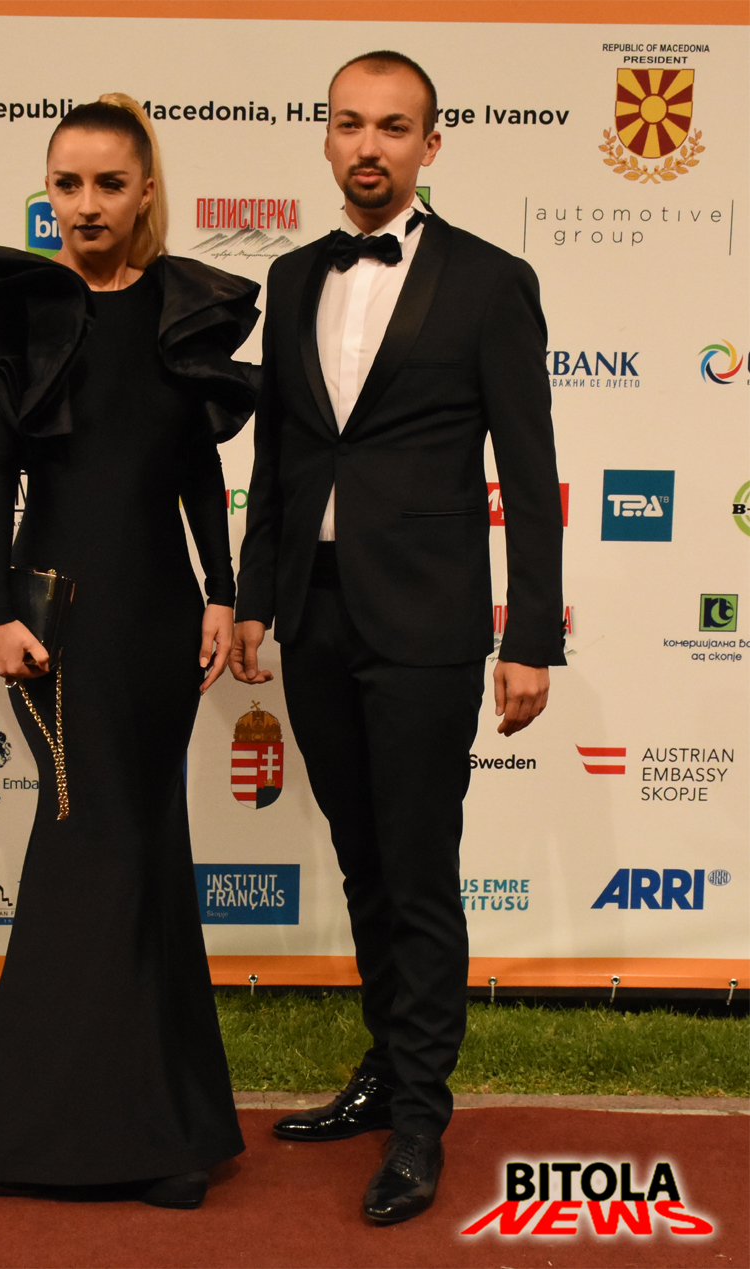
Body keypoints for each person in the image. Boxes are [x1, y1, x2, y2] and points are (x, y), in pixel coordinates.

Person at [0, 94, 260, 1209]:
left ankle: (158, 1122)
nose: (85, 204)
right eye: (66, 184)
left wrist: (222, 591)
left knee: (147, 848)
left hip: (158, 620)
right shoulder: (18, 311)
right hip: (54, 621)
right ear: (46, 191)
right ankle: (88, 1134)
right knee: (93, 850)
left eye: (108, 183)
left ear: (145, 190)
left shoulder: (181, 305)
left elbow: (196, 469)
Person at [230, 52, 565, 1225]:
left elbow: (529, 470)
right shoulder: (289, 275)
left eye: (392, 127)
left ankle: (420, 1117)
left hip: (426, 622)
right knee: (363, 860)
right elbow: (279, 454)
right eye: (348, 124)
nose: (367, 146)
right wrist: (253, 596)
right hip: (314, 614)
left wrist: (530, 637)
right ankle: (384, 1071)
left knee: (417, 870)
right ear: (326, 138)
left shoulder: (490, 281)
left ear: (430, 144)